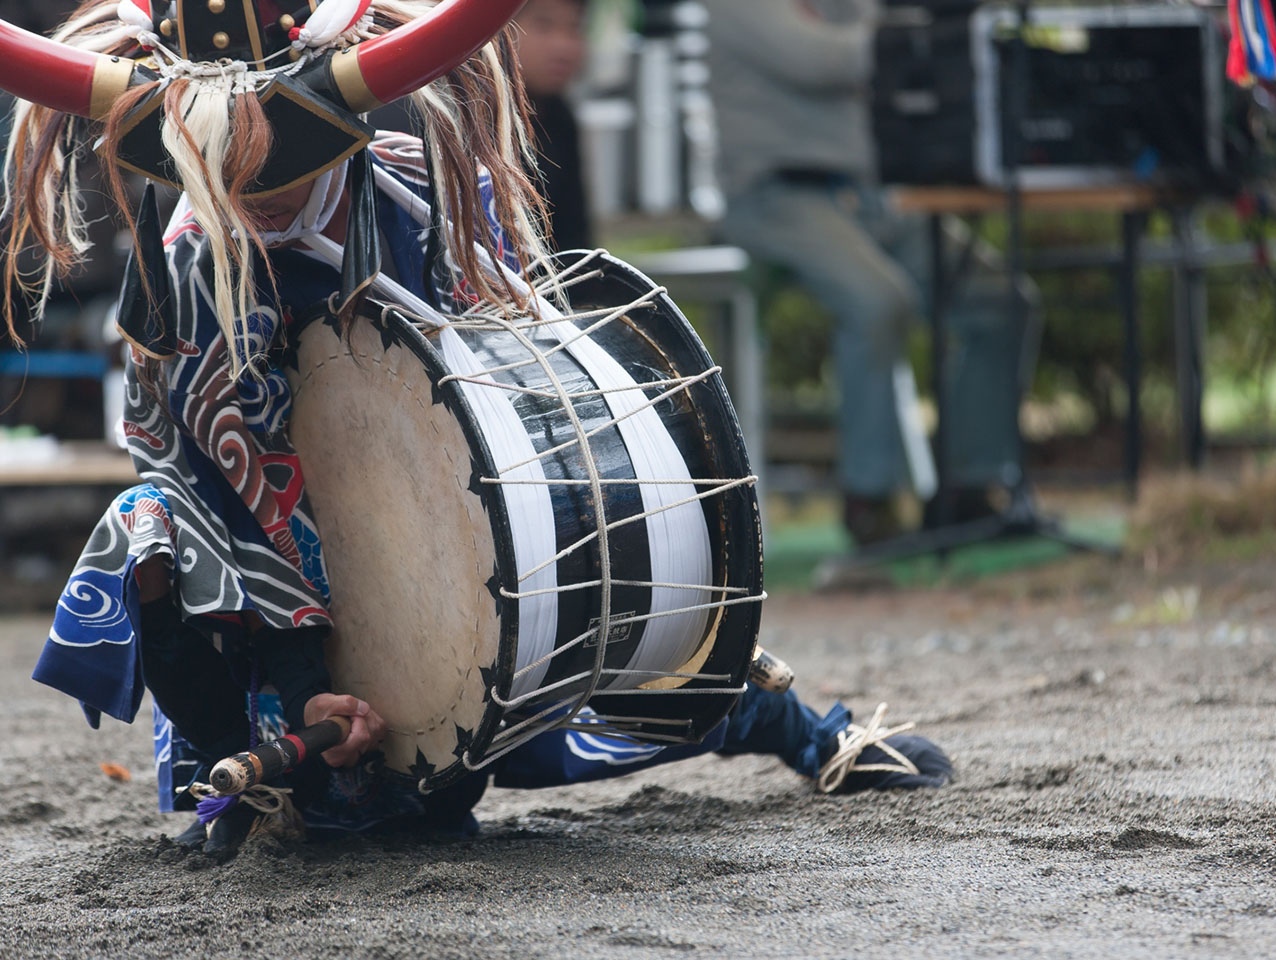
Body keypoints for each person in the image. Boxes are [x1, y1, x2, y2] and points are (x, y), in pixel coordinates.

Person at [1, 0, 949, 857]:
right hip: (271, 585)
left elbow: (525, 423)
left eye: (286, 154)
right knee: (147, 533)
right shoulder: (188, 266)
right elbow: (214, 481)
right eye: (227, 168)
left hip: (474, 554)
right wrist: (303, 693)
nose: (260, 191)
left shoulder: (430, 189)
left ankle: (801, 732)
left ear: (338, 124)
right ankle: (239, 784)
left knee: (591, 634)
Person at [704, 0, 1039, 542]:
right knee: (879, 301)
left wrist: (888, 37)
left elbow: (883, 41)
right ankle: (870, 499)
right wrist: (900, 39)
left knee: (1000, 299)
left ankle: (967, 488)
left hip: (869, 194)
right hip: (774, 198)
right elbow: (819, 58)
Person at [513, 0, 592, 251]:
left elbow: (572, 242)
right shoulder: (460, 113)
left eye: (574, 28)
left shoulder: (558, 116)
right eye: (543, 26)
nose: (563, 46)